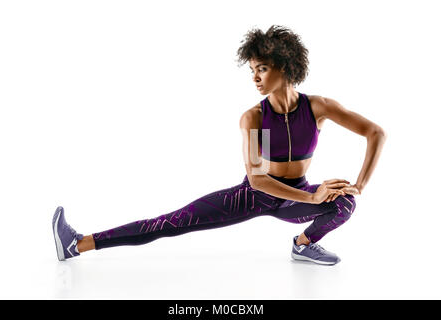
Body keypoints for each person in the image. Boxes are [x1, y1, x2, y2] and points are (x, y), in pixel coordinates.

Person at [52, 25, 386, 265]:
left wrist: (359, 185)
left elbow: (375, 133)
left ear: (284, 66)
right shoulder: (254, 117)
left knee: (344, 204)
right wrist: (311, 196)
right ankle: (78, 244)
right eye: (252, 70)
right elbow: (258, 180)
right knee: (171, 223)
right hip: (253, 196)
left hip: (293, 200)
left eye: (262, 69)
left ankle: (303, 244)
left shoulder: (318, 108)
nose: (255, 77)